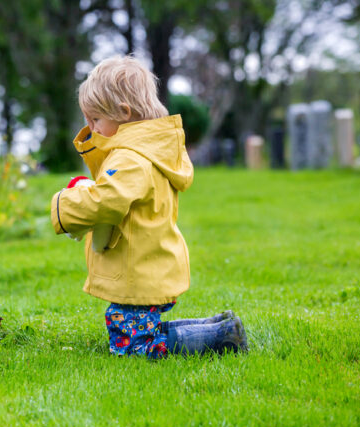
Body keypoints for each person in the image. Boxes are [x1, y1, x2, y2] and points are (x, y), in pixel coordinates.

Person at [50, 55, 248, 358]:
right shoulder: (143, 151)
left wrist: (64, 205)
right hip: (147, 261)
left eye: (95, 120)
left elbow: (108, 201)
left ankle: (221, 337)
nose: (90, 129)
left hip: (139, 265)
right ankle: (215, 326)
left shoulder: (131, 157)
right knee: (131, 328)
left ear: (123, 113)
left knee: (133, 344)